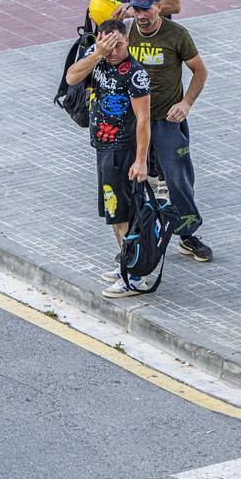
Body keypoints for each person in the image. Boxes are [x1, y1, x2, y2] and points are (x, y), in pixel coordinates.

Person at [124, 0, 212, 262]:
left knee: (178, 180)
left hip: (166, 121)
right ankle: (135, 242)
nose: (141, 15)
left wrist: (186, 104)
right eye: (136, 8)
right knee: (133, 181)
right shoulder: (125, 33)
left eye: (147, 8)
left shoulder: (177, 35)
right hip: (133, 121)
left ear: (159, 6)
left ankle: (187, 236)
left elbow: (200, 71)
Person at [66, 19, 152, 298]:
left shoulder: (134, 74)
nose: (113, 50)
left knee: (123, 213)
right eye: (107, 44)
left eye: (117, 44)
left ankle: (135, 276)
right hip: (103, 149)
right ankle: (127, 261)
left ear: (127, 41)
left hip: (121, 151)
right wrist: (97, 54)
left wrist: (140, 160)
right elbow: (71, 78)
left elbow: (143, 120)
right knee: (114, 212)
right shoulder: (99, 62)